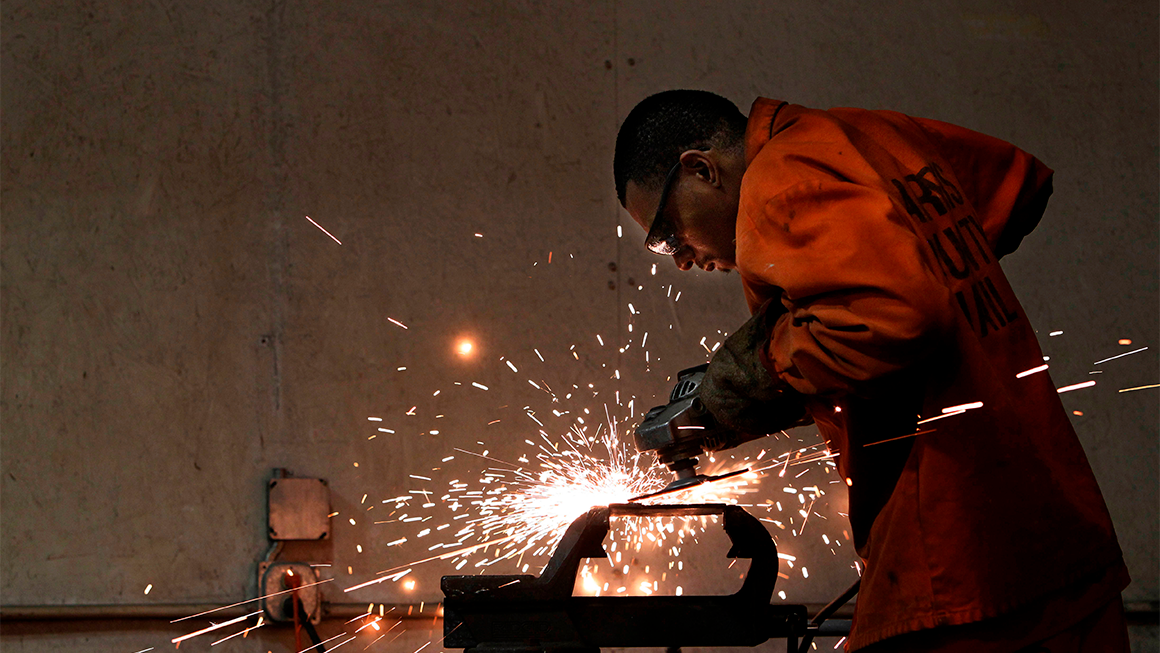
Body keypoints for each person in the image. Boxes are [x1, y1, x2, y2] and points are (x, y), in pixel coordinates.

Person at [614, 90, 1129, 652]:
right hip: (1056, 533)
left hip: (960, 557)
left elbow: (897, 314)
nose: (681, 259)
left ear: (701, 169)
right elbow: (1013, 183)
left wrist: (761, 366)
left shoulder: (781, 179)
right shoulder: (870, 137)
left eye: (668, 235)